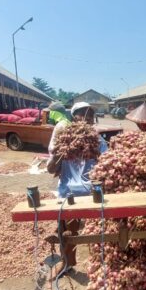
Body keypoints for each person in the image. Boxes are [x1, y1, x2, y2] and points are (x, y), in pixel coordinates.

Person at [46, 102, 107, 278]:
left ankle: (100, 265)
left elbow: (107, 163)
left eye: (90, 116)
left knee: (99, 233)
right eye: (82, 114)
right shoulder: (63, 138)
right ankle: (67, 263)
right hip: (68, 194)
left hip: (92, 194)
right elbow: (51, 169)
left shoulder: (97, 140)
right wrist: (60, 150)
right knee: (66, 233)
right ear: (74, 117)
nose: (87, 118)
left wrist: (96, 154)